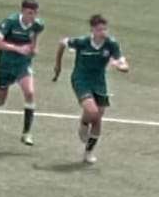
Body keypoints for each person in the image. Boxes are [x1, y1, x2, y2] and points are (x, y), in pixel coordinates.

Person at [52, 14, 129, 164]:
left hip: (99, 82)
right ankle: (83, 124)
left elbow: (125, 65)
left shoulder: (111, 44)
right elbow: (62, 43)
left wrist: (120, 67)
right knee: (92, 111)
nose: (103, 32)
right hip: (81, 79)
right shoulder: (82, 42)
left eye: (105, 29)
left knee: (97, 119)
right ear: (92, 30)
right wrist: (58, 65)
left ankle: (88, 152)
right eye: (100, 29)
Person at [0, 0, 45, 146]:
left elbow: (35, 35)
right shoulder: (10, 22)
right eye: (30, 13)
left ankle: (26, 133)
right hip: (5, 64)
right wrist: (18, 48)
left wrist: (33, 47)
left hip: (22, 64)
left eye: (35, 13)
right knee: (1, 100)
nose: (32, 16)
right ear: (22, 11)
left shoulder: (38, 24)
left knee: (30, 92)